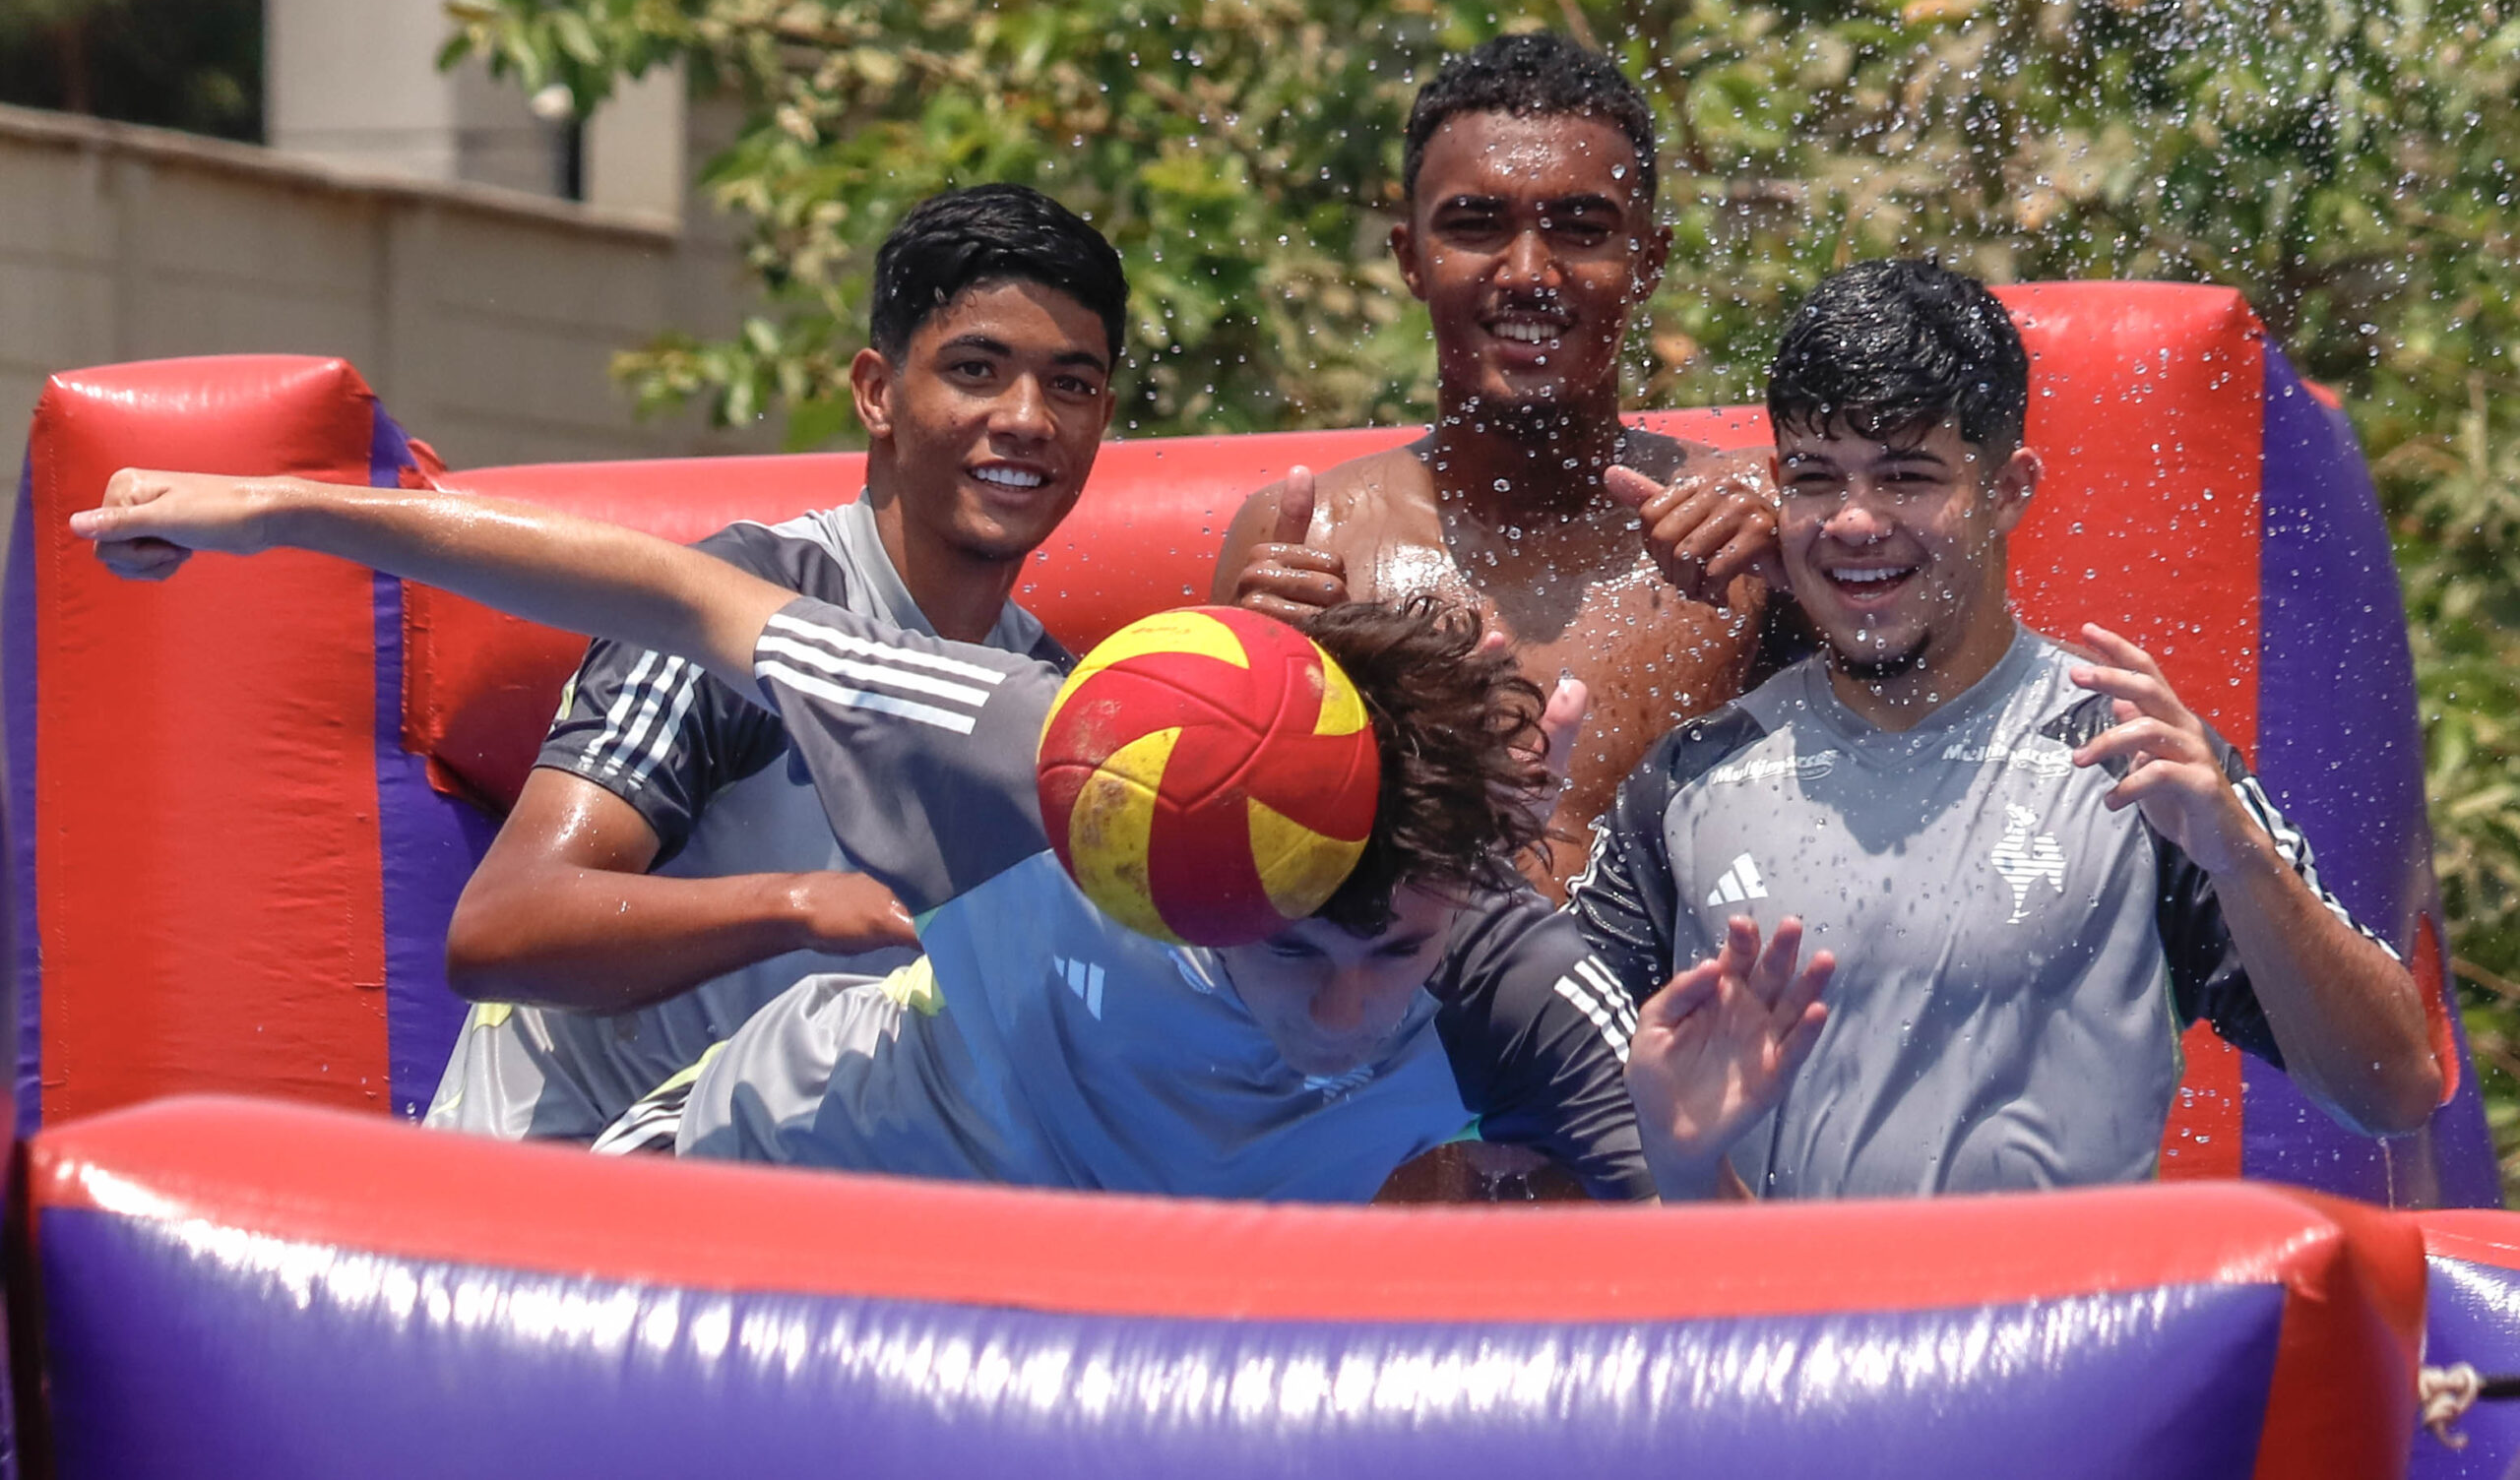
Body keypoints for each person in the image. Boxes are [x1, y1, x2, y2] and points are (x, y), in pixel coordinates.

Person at [74, 473, 1828, 1201]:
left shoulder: (1503, 971)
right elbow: (684, 592)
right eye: (1303, 947)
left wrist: (1685, 1158)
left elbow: (1714, 1339)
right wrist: (285, 515)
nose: (1356, 1000)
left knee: (1470, 1222)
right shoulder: (1075, 769)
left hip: (1088, 1296)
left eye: (1396, 952)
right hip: (770, 1184)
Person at [1580, 258, 2443, 1202]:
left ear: (2009, 488)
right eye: (1819, 482)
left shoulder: (2136, 763)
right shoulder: (1693, 782)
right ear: (1779, 486)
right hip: (1778, 1345)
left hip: (2064, 1348)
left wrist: (2239, 857)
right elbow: (1505, 1094)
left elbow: (2394, 1088)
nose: (1856, 522)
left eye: (1907, 477)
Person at [427, 182, 1125, 1141]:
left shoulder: (1045, 700)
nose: (1026, 418)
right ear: (878, 392)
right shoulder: (739, 609)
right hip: (541, 1203)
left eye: (1071, 385)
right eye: (975, 370)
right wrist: (797, 907)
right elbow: (502, 927)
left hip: (778, 1222)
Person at [1212, 32, 1790, 897]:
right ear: (1411, 259)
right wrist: (1244, 716)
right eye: (1477, 227)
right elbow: (1219, 880)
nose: (1528, 272)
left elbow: (1928, 741)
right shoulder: (1308, 542)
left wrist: (1820, 557)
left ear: (1649, 262)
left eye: (1582, 229)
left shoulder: (1752, 525)